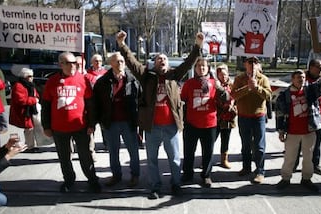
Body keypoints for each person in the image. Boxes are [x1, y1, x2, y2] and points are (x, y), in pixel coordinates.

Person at [116, 30, 203, 199]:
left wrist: (198, 45)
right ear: (154, 63)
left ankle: (176, 184)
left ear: (168, 64)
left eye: (164, 59)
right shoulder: (146, 76)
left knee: (174, 159)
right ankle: (155, 187)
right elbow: (132, 62)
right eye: (158, 59)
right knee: (152, 160)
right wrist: (122, 45)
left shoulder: (173, 75)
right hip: (152, 127)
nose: (161, 60)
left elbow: (189, 62)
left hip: (171, 126)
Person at [275, 59, 321, 192]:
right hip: (292, 132)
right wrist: (281, 131)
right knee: (289, 157)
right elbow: (280, 114)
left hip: (309, 131)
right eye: (298, 77)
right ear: (292, 79)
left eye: (303, 77)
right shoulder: (285, 95)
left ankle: (306, 179)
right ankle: (286, 178)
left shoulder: (310, 90)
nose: (301, 79)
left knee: (308, 158)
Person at [41, 52, 101, 193]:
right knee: (64, 157)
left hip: (80, 126)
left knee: (85, 156)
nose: (73, 65)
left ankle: (92, 180)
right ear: (60, 64)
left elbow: (90, 104)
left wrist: (92, 124)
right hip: (59, 128)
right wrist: (46, 126)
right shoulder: (52, 81)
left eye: (75, 62)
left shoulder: (83, 80)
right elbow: (46, 106)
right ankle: (69, 180)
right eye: (68, 63)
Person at [88, 52, 141, 188]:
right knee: (113, 151)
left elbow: (140, 100)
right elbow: (95, 104)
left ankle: (135, 175)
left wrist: (140, 121)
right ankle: (116, 175)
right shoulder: (102, 82)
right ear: (110, 63)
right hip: (110, 122)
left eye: (122, 61)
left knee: (133, 151)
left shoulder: (132, 80)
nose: (120, 63)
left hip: (128, 122)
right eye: (117, 61)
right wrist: (95, 122)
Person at [181, 57, 226, 188]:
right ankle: (188, 173)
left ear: (208, 68)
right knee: (189, 151)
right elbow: (183, 100)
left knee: (208, 152)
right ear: (195, 69)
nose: (201, 68)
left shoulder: (214, 83)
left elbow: (227, 98)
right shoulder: (189, 83)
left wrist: (220, 89)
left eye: (204, 66)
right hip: (191, 123)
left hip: (209, 124)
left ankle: (206, 175)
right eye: (199, 66)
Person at [231, 56, 272, 184]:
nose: (253, 64)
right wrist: (247, 88)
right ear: (245, 65)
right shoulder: (239, 79)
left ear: (258, 65)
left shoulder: (263, 79)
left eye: (255, 62)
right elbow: (233, 94)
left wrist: (257, 88)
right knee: (245, 145)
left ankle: (260, 171)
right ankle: (246, 168)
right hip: (244, 117)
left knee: (259, 146)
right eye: (250, 62)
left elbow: (269, 96)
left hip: (258, 117)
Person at [9, 68, 40, 153]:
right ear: (24, 77)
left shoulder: (30, 85)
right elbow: (21, 100)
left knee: (30, 128)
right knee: (29, 128)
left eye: (32, 76)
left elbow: (35, 94)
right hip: (23, 111)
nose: (31, 78)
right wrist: (34, 100)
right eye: (29, 76)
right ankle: (30, 146)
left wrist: (36, 98)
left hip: (30, 110)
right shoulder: (18, 86)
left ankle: (30, 145)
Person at [84, 54, 108, 152]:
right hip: (92, 104)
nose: (98, 63)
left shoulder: (106, 73)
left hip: (103, 103)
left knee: (105, 126)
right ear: (92, 62)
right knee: (91, 125)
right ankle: (91, 147)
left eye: (100, 61)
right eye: (96, 61)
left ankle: (107, 144)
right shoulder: (87, 74)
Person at [215, 65, 237, 169]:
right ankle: (206, 160)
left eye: (225, 74)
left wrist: (234, 107)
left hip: (228, 117)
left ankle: (224, 160)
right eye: (221, 74)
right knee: (211, 140)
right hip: (216, 117)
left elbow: (237, 98)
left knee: (225, 139)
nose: (223, 76)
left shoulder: (232, 85)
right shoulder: (214, 85)